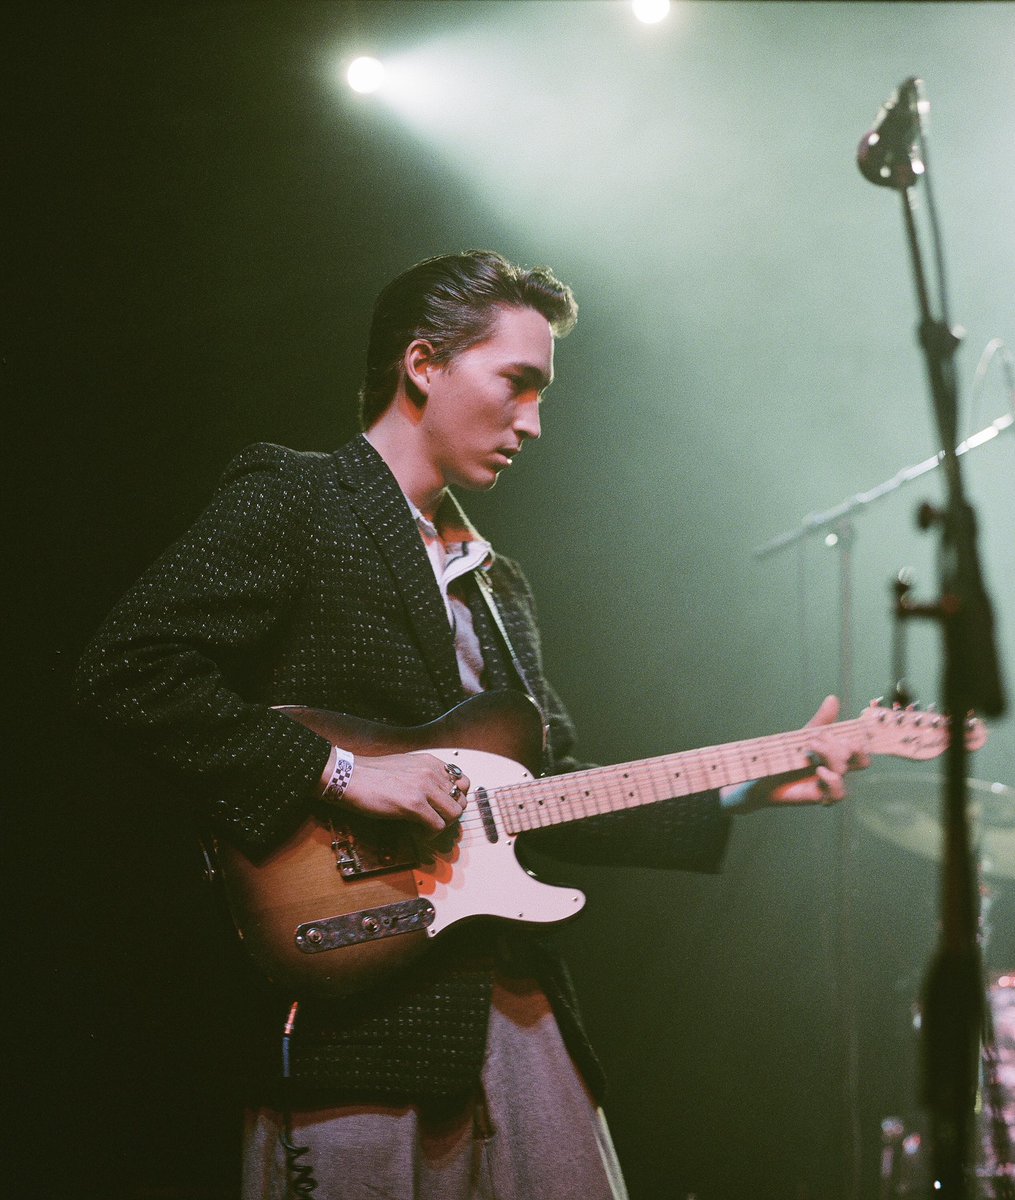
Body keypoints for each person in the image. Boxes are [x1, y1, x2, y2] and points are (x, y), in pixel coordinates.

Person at [74, 250, 864, 1200]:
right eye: (515, 383)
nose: (533, 423)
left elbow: (550, 793)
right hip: (355, 1014)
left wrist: (746, 785)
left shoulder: (500, 584)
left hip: (514, 1004)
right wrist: (339, 772)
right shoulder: (299, 496)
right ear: (423, 363)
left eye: (542, 394)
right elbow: (128, 670)